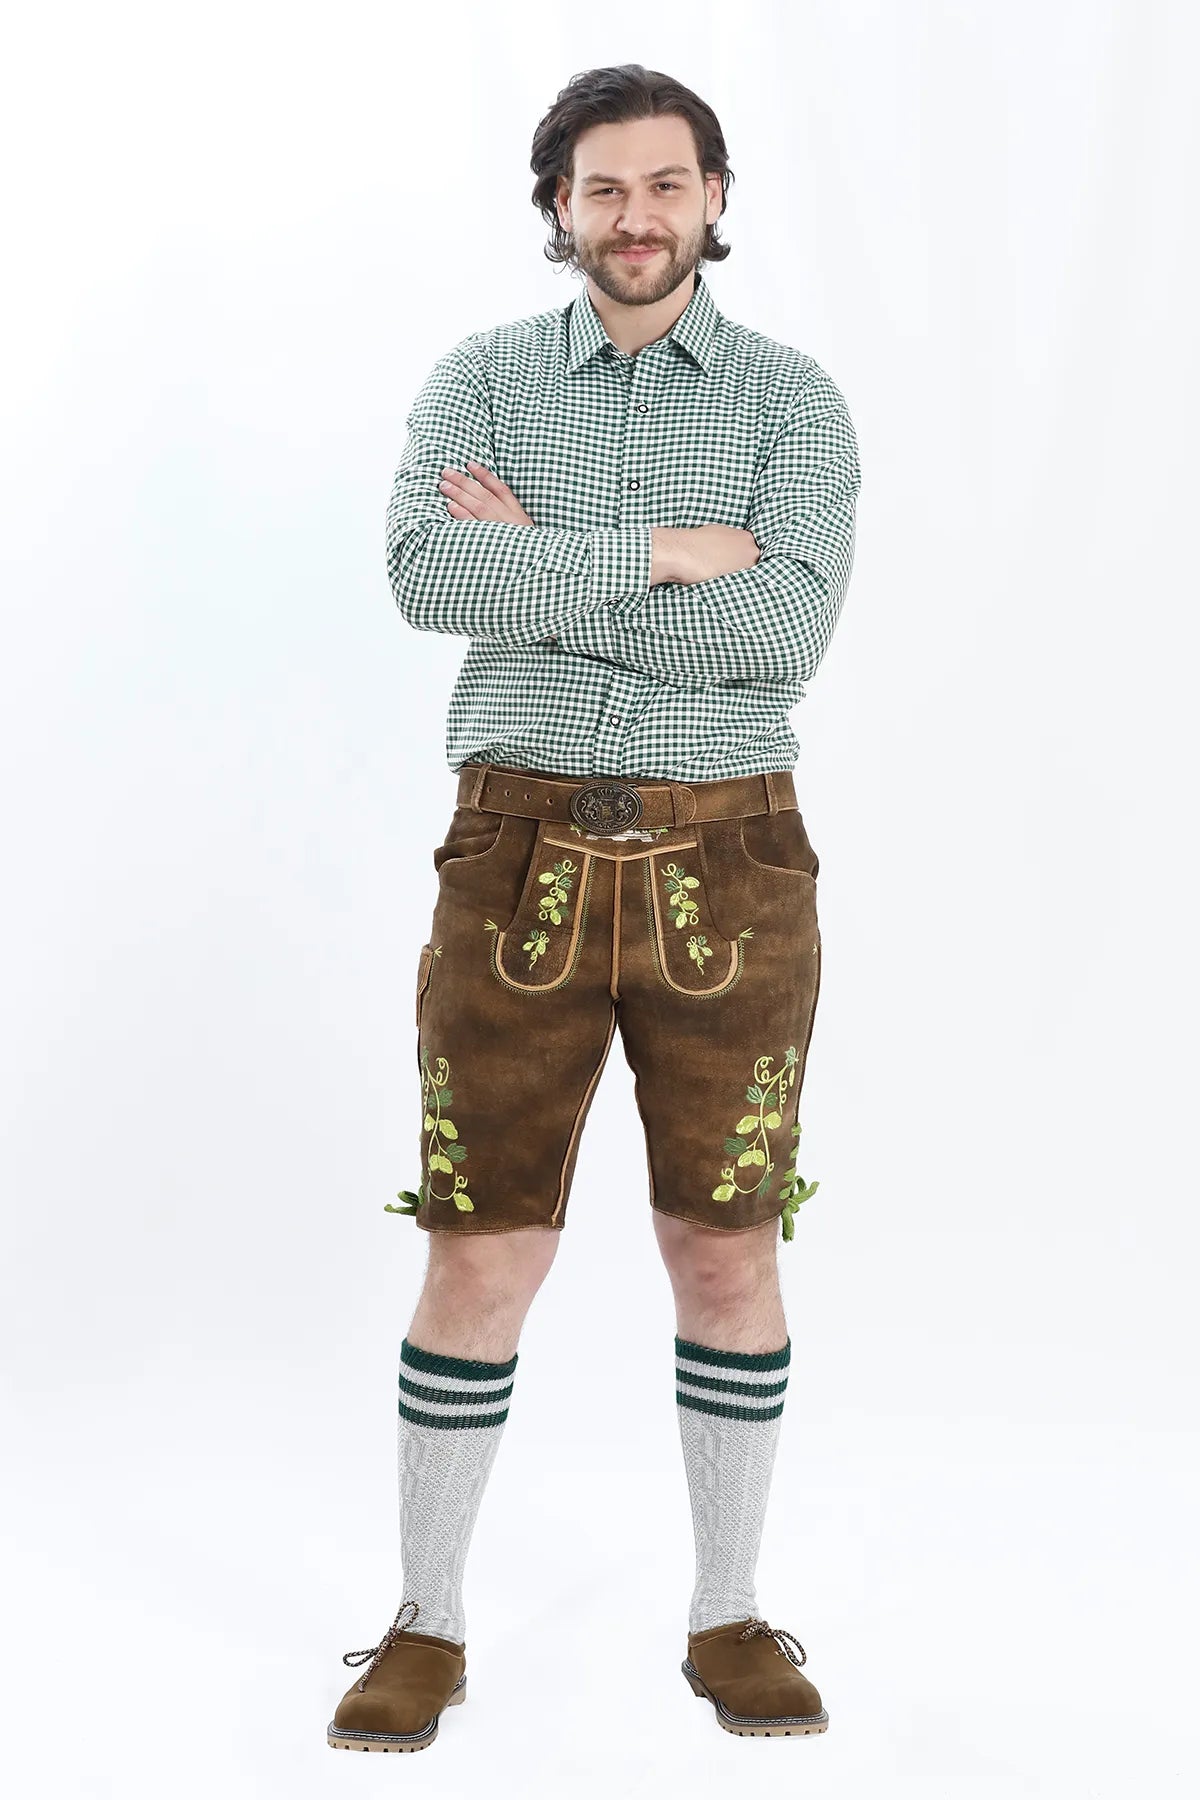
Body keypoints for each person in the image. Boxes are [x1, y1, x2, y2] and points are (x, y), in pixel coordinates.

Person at [327, 62, 861, 1753]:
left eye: (667, 184)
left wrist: (545, 556)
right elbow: (427, 573)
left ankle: (728, 1613)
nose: (637, 218)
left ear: (717, 197)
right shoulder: (479, 379)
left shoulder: (793, 403)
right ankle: (425, 1619)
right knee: (483, 1244)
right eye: (604, 188)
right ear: (558, 205)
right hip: (516, 852)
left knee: (726, 1241)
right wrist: (665, 550)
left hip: (734, 857)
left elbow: (787, 633)